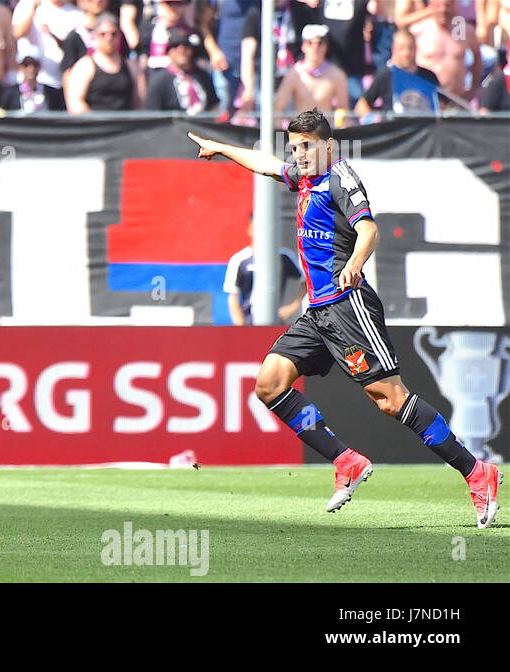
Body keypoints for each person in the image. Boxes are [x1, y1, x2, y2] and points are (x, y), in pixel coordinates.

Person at [188, 110, 501, 528]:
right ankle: (346, 460)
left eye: (307, 147)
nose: (299, 155)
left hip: (348, 305)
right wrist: (222, 148)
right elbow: (264, 162)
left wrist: (354, 262)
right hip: (318, 311)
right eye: (295, 147)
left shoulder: (340, 177)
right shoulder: (302, 177)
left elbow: (369, 229)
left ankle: (477, 472)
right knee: (269, 384)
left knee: (390, 400)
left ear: (327, 145)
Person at [223, 217, 306, 326]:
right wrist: (240, 325)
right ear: (250, 229)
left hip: (275, 322)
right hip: (248, 323)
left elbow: (306, 281)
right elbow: (233, 296)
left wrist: (293, 306)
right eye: (257, 228)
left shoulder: (283, 256)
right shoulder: (240, 259)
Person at [355, 29, 440, 117]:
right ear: (393, 50)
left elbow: (442, 105)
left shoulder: (428, 77)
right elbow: (361, 106)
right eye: (401, 49)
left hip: (426, 128)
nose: (406, 53)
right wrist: (372, 120)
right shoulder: (386, 75)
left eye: (410, 48)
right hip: (395, 128)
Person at [273, 24, 350, 119]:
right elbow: (277, 110)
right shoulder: (294, 74)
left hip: (324, 132)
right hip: (299, 132)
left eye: (320, 43)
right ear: (303, 46)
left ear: (326, 46)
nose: (315, 48)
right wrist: (280, 134)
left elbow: (343, 112)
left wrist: (338, 132)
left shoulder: (337, 75)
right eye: (310, 43)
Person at [65, 13, 139, 112]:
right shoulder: (84, 67)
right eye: (103, 34)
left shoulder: (131, 66)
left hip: (126, 124)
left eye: (113, 34)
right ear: (95, 36)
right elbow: (75, 103)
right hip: (94, 124)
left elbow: (139, 102)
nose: (108, 38)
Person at [142, 27, 216, 114]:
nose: (181, 50)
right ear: (168, 51)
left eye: (186, 45)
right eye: (176, 45)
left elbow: (214, 105)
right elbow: (152, 114)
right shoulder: (160, 81)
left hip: (202, 125)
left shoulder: (202, 76)